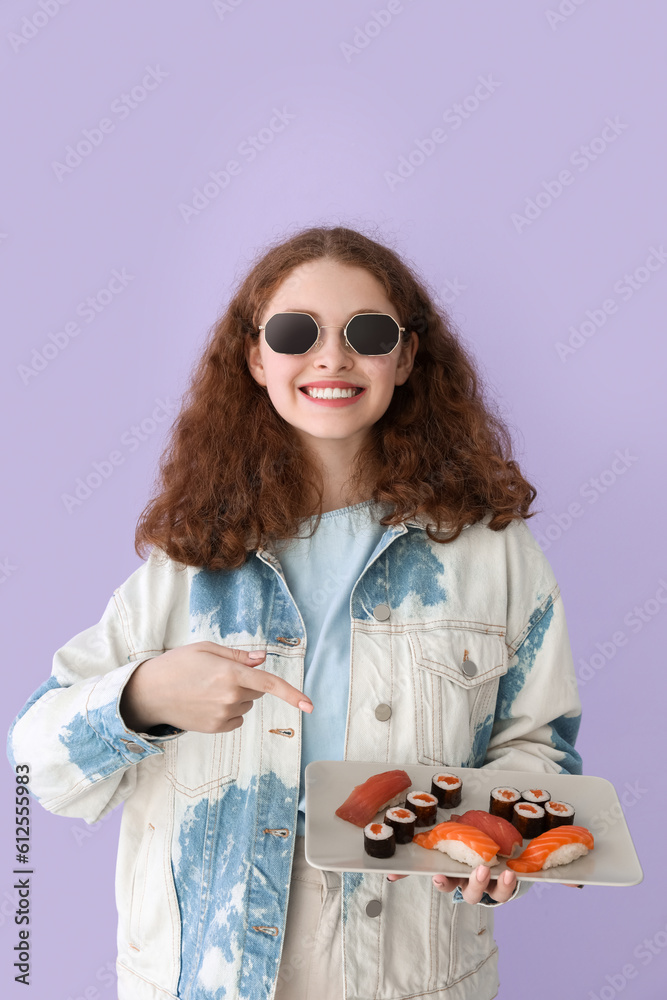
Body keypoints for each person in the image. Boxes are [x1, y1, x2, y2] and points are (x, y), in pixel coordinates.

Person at [6, 224, 583, 1000]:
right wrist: (143, 698)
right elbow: (35, 765)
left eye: (368, 333)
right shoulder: (189, 565)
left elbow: (538, 750)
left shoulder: (496, 556)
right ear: (254, 357)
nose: (332, 358)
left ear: (406, 358)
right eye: (294, 332)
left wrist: (497, 846)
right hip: (206, 972)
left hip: (414, 967)